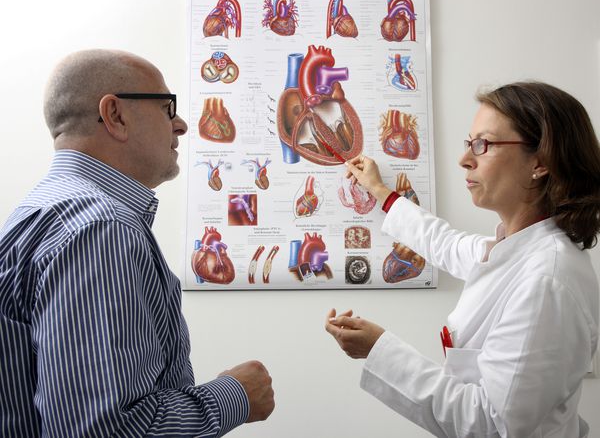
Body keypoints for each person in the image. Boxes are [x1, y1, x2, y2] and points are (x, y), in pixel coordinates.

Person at [0, 49, 274, 437]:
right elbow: (102, 430)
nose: (180, 125)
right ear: (115, 115)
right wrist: (235, 395)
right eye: (167, 108)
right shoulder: (99, 230)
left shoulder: (44, 209)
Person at [325, 81, 600, 437]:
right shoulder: (517, 250)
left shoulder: (546, 281)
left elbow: (492, 424)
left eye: (482, 145)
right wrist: (381, 192)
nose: (464, 159)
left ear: (540, 162)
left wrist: (379, 350)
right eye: (469, 144)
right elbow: (446, 243)